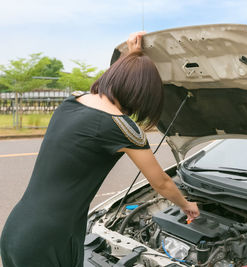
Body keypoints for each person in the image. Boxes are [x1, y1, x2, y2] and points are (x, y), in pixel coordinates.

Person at [0, 31, 200, 267]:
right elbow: (162, 183)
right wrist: (187, 206)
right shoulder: (122, 127)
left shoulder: (72, 101)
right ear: (144, 95)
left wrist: (132, 55)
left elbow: (112, 87)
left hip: (16, 230)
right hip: (50, 240)